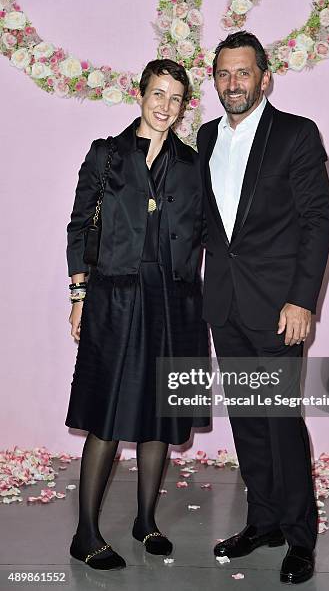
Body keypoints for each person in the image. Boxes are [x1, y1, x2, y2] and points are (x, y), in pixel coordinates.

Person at [197, 31, 329, 584]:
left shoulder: (296, 135)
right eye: (224, 74)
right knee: (248, 422)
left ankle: (300, 537)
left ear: (264, 77)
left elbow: (317, 221)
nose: (233, 83)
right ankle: (264, 521)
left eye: (243, 73)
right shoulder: (204, 138)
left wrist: (303, 299)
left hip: (280, 308)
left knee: (279, 422)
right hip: (225, 305)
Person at [65, 59, 209, 570]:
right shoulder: (106, 155)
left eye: (175, 98)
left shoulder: (193, 164)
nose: (165, 106)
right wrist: (79, 294)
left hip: (174, 301)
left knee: (159, 414)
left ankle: (145, 520)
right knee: (107, 411)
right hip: (115, 297)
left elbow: (207, 232)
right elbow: (81, 224)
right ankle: (85, 532)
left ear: (183, 105)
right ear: (140, 94)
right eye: (157, 94)